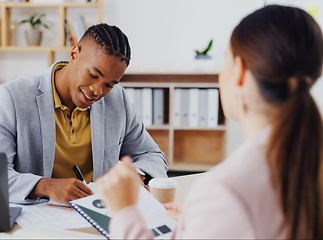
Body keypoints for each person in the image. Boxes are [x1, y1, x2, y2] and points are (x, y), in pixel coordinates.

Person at [97, 5, 323, 239]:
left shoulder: (226, 191)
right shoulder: (305, 165)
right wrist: (201, 222)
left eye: (225, 61)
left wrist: (125, 211)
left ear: (240, 73)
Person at [0, 23, 168, 205]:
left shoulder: (118, 100)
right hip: (38, 216)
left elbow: (152, 155)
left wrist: (136, 174)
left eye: (109, 84)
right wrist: (45, 186)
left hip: (97, 213)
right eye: (93, 75)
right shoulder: (12, 97)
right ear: (74, 54)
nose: (97, 90)